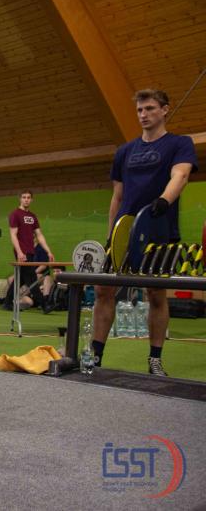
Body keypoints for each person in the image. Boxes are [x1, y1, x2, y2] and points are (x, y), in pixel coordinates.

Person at [92, 88, 197, 376]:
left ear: (165, 109)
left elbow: (181, 175)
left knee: (156, 295)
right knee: (103, 290)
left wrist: (163, 201)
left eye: (150, 108)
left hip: (159, 230)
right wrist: (111, 235)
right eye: (140, 110)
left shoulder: (179, 143)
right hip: (124, 232)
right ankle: (95, 356)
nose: (143, 114)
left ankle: (154, 360)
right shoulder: (124, 151)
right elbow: (117, 196)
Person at [6, 190, 54, 308]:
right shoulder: (15, 214)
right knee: (31, 278)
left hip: (31, 251)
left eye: (28, 197)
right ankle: (44, 305)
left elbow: (39, 235)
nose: (26, 199)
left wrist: (48, 251)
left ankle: (7, 303)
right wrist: (19, 252)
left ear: (31, 200)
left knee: (21, 279)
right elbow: (13, 235)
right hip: (22, 252)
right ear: (20, 199)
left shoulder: (33, 216)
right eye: (24, 197)